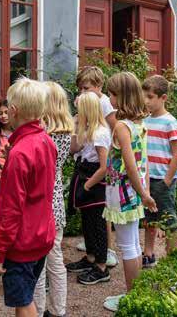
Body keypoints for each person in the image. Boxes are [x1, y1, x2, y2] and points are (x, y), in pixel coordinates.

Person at [0, 78, 56, 317]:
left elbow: (11, 209)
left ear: (14, 111)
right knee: (24, 297)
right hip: (42, 233)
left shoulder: (19, 153)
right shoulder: (45, 140)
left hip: (22, 241)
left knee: (24, 298)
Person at [102, 72, 158, 312]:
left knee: (127, 245)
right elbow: (143, 162)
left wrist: (144, 194)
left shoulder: (122, 127)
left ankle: (131, 297)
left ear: (121, 97)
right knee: (133, 243)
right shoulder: (139, 124)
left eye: (111, 94)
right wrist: (144, 191)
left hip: (124, 194)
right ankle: (135, 295)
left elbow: (131, 165)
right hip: (134, 193)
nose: (109, 98)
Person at [34, 81, 73, 317]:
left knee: (39, 263)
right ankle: (59, 310)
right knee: (56, 259)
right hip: (57, 198)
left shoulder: (44, 133)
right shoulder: (65, 131)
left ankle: (37, 310)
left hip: (43, 200)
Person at [75, 66, 119, 267]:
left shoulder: (104, 104)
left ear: (98, 85)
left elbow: (114, 127)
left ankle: (106, 252)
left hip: (101, 155)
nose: (83, 93)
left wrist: (112, 149)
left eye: (86, 88)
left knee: (101, 213)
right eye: (81, 89)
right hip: (91, 152)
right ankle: (93, 252)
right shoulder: (87, 102)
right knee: (90, 215)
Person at [65, 92, 111, 285]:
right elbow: (73, 149)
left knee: (97, 224)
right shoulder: (87, 129)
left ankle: (102, 266)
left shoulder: (100, 133)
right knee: (87, 221)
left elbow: (104, 167)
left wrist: (87, 185)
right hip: (84, 172)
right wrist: (75, 127)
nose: (77, 112)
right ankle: (91, 257)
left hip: (94, 180)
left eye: (79, 109)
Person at [141, 75, 177, 267]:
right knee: (149, 218)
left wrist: (167, 180)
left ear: (163, 98)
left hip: (163, 178)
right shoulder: (145, 121)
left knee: (168, 217)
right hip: (148, 179)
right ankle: (148, 253)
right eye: (145, 96)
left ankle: (172, 255)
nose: (146, 101)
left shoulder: (170, 122)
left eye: (150, 97)